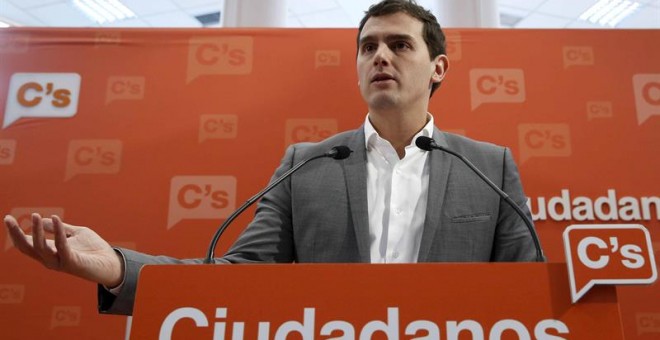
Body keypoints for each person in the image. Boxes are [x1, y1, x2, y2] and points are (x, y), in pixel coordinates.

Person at [3, 0, 541, 316]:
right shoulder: (308, 163)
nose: (380, 56)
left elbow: (529, 295)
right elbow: (235, 279)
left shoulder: (489, 167)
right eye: (368, 46)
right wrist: (120, 268)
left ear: (438, 68)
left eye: (400, 45)